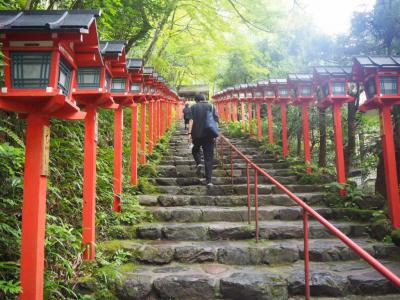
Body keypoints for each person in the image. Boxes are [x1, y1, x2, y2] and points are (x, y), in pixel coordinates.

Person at [188, 94, 219, 186]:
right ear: (205, 99)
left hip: (196, 134)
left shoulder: (193, 107)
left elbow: (191, 121)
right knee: (208, 158)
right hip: (209, 135)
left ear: (196, 100)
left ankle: (198, 162)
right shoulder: (211, 106)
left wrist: (189, 134)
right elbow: (216, 121)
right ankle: (209, 181)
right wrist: (216, 134)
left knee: (195, 150)